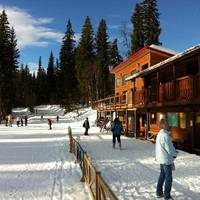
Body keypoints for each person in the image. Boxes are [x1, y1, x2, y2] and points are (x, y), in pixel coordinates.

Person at [155, 118, 177, 200]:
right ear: (163, 125)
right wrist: (175, 154)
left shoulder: (160, 134)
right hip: (166, 160)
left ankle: (159, 192)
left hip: (161, 159)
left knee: (162, 176)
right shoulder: (165, 136)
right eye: (167, 123)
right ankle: (166, 196)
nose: (168, 125)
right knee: (168, 178)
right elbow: (170, 149)